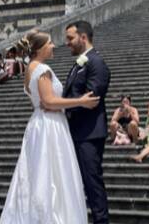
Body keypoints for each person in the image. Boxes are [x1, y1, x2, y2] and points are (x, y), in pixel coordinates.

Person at [0, 31, 100, 224]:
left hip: (39, 123)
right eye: (50, 43)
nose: (54, 46)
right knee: (53, 175)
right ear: (40, 49)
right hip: (50, 124)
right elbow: (49, 101)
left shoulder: (31, 68)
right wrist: (80, 101)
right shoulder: (42, 69)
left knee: (37, 173)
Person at [64, 20, 111, 224]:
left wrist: (61, 106)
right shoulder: (79, 63)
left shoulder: (96, 62)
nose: (67, 43)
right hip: (75, 131)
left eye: (70, 38)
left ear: (83, 38)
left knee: (92, 182)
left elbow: (91, 98)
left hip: (89, 133)